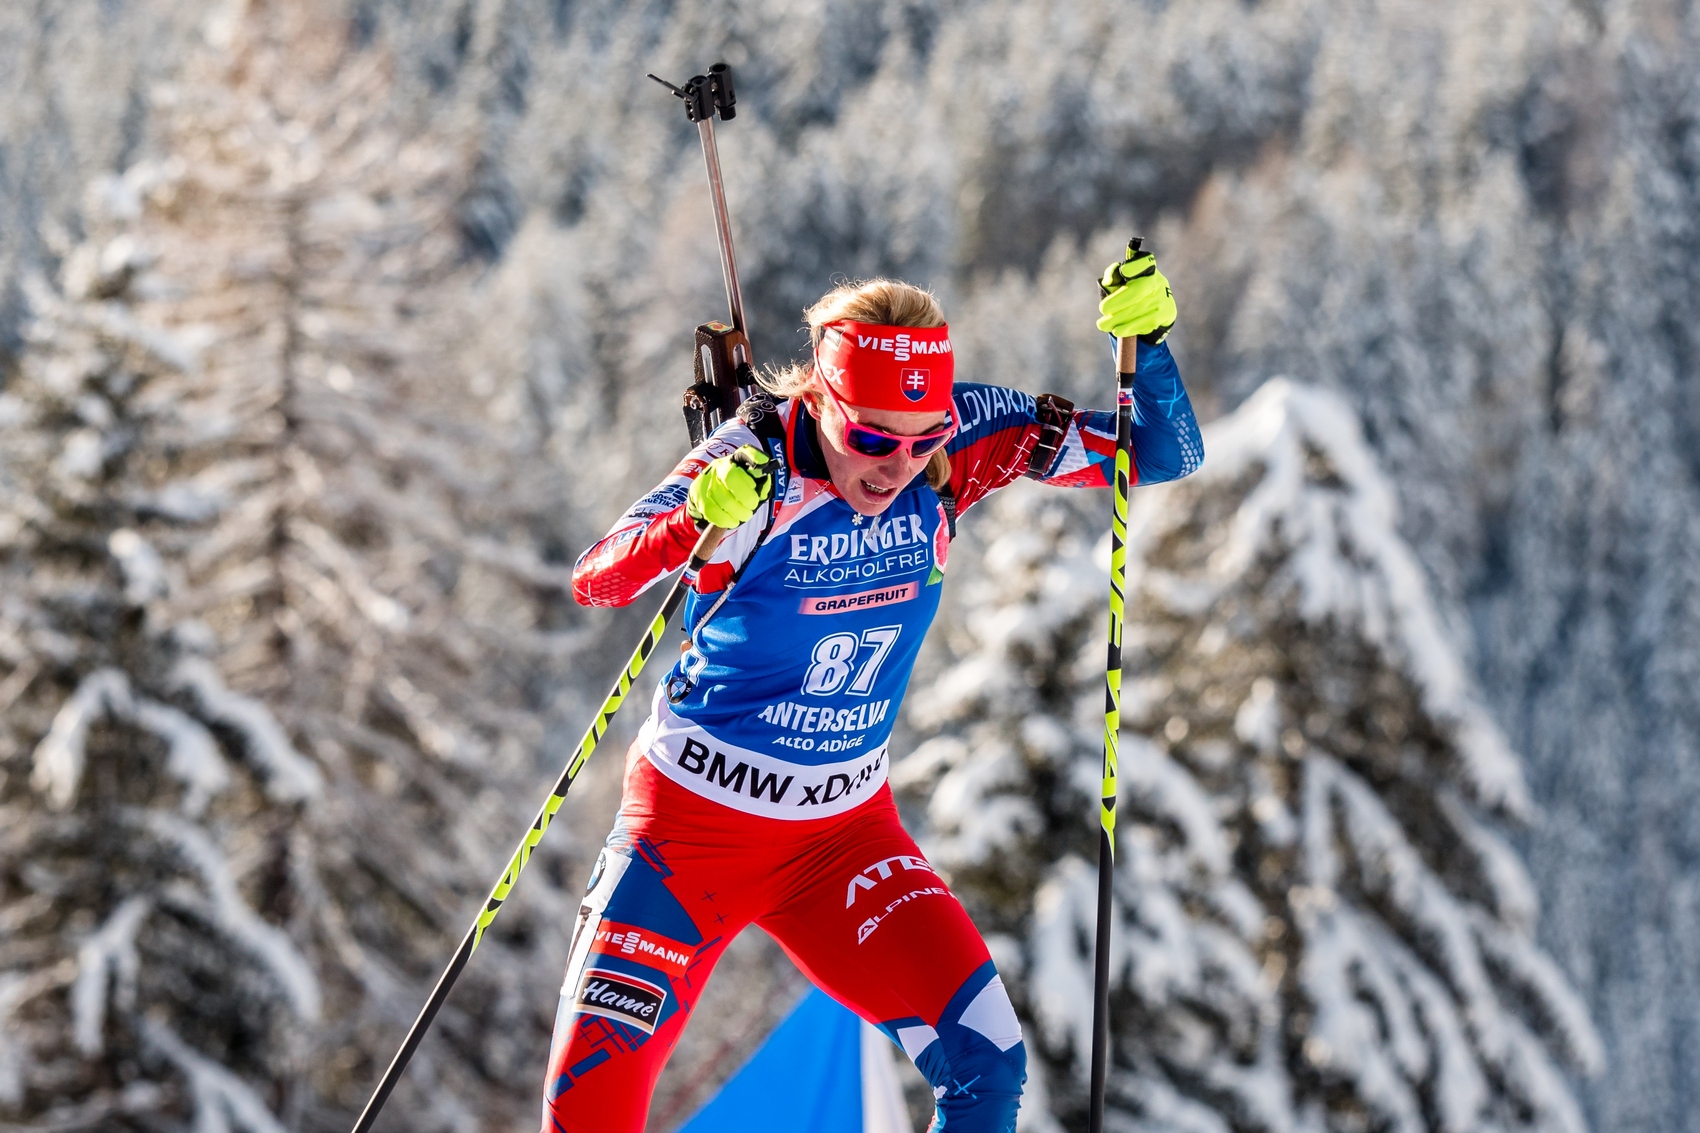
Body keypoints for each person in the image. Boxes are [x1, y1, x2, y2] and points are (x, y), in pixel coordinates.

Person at [545, 246, 1202, 1133]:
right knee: (588, 1113)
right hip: (688, 832)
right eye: (871, 440)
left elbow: (1159, 453)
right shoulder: (757, 461)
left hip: (841, 838)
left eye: (921, 441)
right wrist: (697, 514)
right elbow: (599, 577)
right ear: (821, 398)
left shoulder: (963, 440)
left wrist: (1147, 351)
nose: (897, 467)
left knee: (987, 1063)